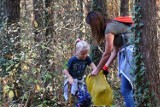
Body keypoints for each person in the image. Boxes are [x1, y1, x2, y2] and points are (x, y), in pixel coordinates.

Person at [86, 11, 135, 107]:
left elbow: (107, 53)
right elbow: (115, 51)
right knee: (128, 89)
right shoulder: (111, 26)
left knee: (125, 90)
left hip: (131, 54)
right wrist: (105, 67)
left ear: (95, 23)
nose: (91, 28)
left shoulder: (109, 28)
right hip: (127, 55)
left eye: (91, 25)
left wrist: (97, 69)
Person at [63, 39, 96, 107]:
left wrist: (95, 72)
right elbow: (65, 70)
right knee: (74, 100)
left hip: (80, 81)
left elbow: (94, 67)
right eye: (82, 54)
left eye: (86, 53)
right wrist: (69, 77)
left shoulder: (87, 58)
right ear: (77, 52)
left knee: (87, 97)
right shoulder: (73, 59)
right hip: (72, 82)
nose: (84, 55)